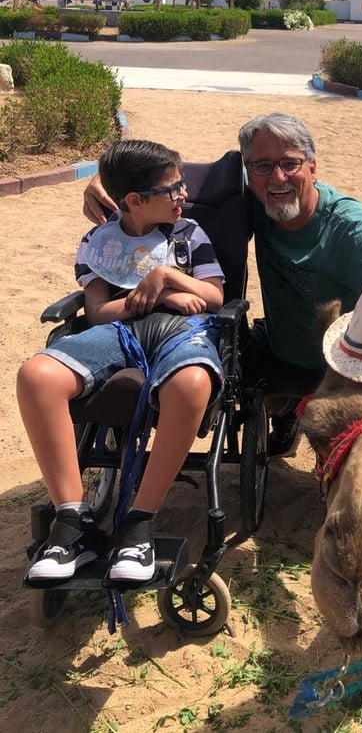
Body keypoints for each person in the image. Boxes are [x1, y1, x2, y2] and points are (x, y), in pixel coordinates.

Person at [82, 113, 362, 457]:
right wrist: (105, 181)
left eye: (290, 163)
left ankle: (288, 409)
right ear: (249, 174)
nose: (278, 177)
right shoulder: (261, 199)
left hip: (344, 368)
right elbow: (176, 178)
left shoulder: (352, 229)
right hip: (282, 351)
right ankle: (283, 411)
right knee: (234, 351)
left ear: (312, 168)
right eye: (263, 166)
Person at [20, 140, 225, 585]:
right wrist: (163, 295)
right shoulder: (99, 243)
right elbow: (98, 312)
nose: (182, 195)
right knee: (36, 374)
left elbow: (213, 297)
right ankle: (71, 523)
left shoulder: (189, 235)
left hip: (181, 333)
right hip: (118, 331)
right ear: (134, 201)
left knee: (190, 382)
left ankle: (138, 523)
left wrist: (166, 274)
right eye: (172, 189)